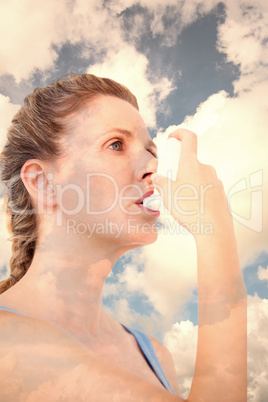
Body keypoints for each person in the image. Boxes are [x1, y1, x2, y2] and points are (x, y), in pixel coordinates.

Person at [0, 74, 246, 401]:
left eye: (150, 151)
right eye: (116, 144)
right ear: (44, 183)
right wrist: (215, 230)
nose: (151, 167)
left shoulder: (156, 356)